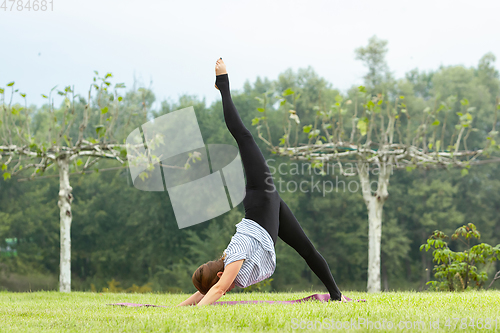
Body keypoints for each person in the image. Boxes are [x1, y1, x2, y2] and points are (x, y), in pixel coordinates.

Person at [177, 58, 347, 306]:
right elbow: (210, 291)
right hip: (267, 207)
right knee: (307, 250)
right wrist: (180, 308)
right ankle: (336, 297)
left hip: (261, 198)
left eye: (213, 285)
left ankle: (222, 84)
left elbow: (215, 290)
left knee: (244, 137)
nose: (215, 288)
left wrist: (193, 312)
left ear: (218, 276)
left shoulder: (230, 262)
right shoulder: (225, 270)